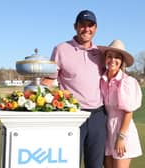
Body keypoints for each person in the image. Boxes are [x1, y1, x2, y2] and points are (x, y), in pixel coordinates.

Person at [42, 10, 107, 168]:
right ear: (75, 27)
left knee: (95, 165)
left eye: (90, 25)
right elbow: (49, 80)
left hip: (98, 116)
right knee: (70, 163)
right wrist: (30, 96)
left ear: (96, 28)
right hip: (72, 116)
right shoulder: (61, 49)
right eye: (82, 25)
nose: (86, 29)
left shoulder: (101, 53)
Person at [98, 40, 142, 168]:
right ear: (105, 58)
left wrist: (121, 137)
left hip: (122, 131)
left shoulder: (127, 82)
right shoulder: (102, 79)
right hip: (107, 131)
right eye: (109, 56)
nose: (113, 60)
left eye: (117, 57)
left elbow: (129, 112)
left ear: (122, 61)